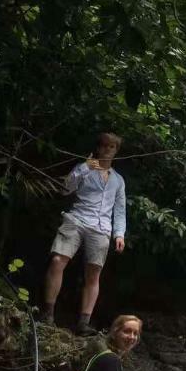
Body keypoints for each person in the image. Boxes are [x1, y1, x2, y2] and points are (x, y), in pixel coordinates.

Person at [43, 132, 127, 335]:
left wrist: (119, 234)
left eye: (111, 147)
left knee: (93, 274)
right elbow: (65, 189)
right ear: (98, 148)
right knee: (57, 261)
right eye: (104, 146)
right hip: (77, 219)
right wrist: (85, 167)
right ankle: (47, 314)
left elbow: (120, 209)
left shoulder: (118, 180)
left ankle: (83, 322)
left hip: (101, 228)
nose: (107, 149)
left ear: (116, 151)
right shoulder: (85, 169)